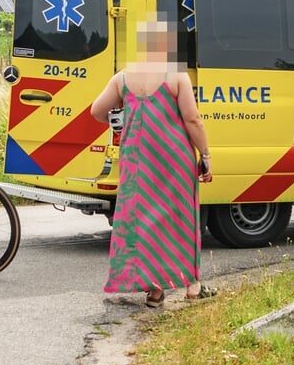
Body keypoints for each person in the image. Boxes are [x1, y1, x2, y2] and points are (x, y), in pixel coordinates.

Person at [89, 19, 216, 306]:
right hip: (174, 159)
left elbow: (97, 111)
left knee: (144, 221)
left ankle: (155, 290)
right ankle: (192, 285)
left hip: (138, 162)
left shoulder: (123, 79)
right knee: (179, 219)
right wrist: (205, 154)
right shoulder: (177, 76)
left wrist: (120, 116)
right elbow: (192, 119)